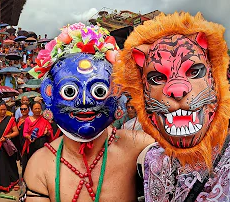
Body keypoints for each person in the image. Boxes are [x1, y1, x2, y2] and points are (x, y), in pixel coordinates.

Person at [114, 12, 230, 201]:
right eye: (157, 78)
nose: (177, 89)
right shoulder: (146, 160)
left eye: (194, 71)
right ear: (141, 95)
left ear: (216, 81)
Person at [23, 23, 154, 201]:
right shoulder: (40, 165)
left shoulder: (138, 147)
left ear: (116, 90)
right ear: (48, 93)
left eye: (98, 91)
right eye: (70, 91)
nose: (84, 101)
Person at [0, 101, 20, 192]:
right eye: (1, 109)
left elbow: (16, 132)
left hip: (6, 145)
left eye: (4, 109)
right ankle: (2, 184)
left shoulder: (10, 119)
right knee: (0, 165)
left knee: (9, 164)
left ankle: (14, 182)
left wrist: (7, 137)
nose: (3, 111)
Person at [21, 102, 52, 173]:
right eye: (35, 108)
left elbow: (50, 132)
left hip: (42, 143)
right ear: (31, 110)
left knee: (42, 162)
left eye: (39, 108)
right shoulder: (28, 120)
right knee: (32, 161)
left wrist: (47, 132)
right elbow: (24, 133)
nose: (37, 110)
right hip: (32, 143)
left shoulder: (44, 119)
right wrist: (29, 137)